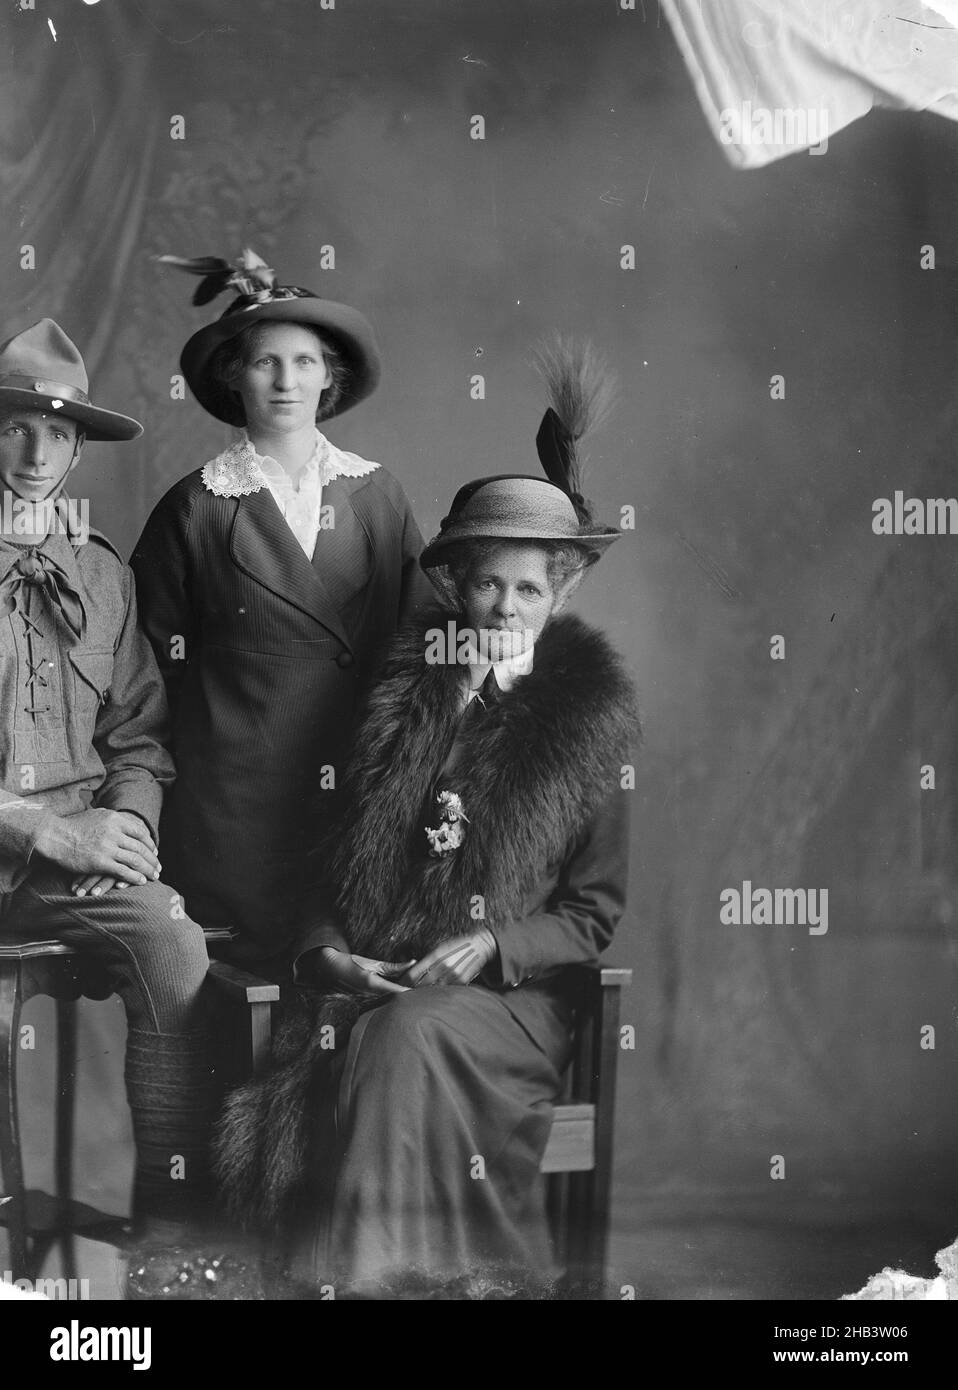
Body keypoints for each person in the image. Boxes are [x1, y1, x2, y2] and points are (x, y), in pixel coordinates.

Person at [216, 342, 640, 1298]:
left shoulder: (590, 717)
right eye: (487, 583)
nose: (504, 607)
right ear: (456, 585)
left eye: (529, 588)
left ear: (560, 594)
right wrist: (327, 954)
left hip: (509, 1008)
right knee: (377, 1027)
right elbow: (331, 871)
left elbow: (592, 916)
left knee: (399, 1036)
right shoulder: (403, 699)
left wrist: (490, 944)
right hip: (387, 979)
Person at [130, 251, 432, 975]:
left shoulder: (377, 496)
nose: (287, 380)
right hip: (235, 810)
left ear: (331, 375)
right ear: (234, 375)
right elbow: (143, 674)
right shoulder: (197, 506)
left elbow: (423, 644)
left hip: (354, 795)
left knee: (349, 988)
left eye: (304, 361)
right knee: (245, 1005)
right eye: (266, 361)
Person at [0, 319, 216, 1281]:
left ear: (80, 447)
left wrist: (123, 829)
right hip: (25, 849)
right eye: (14, 426)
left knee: (173, 942)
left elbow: (137, 733)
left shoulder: (103, 575)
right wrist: (51, 830)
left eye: (57, 434)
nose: (36, 452)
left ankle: (170, 1242)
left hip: (79, 865)